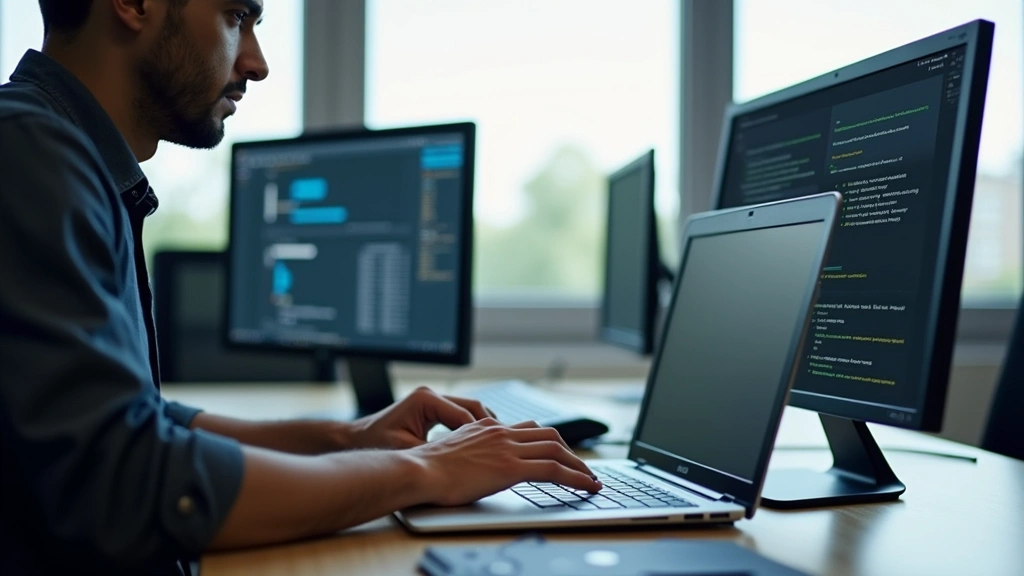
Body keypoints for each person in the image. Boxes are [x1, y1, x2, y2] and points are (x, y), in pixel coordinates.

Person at [0, 1, 602, 574]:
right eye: (237, 17)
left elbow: (140, 421)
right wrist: (426, 470)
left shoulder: (63, 155)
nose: (256, 62)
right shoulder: (31, 154)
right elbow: (131, 482)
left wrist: (350, 437)